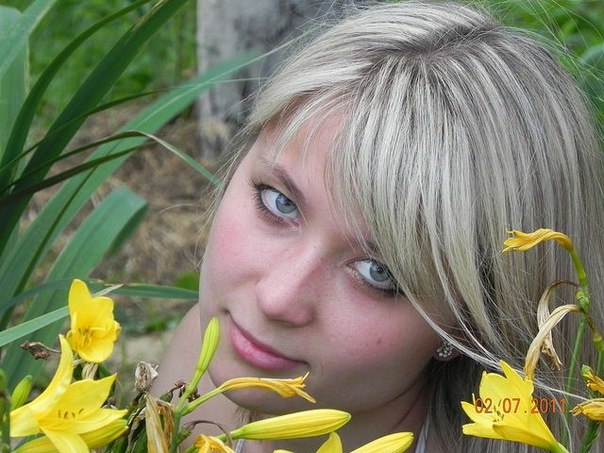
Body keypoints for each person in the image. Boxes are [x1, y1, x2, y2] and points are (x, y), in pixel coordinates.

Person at [156, 1, 604, 451]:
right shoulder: (201, 355)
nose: (277, 299)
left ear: (466, 325)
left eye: (379, 272)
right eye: (280, 202)